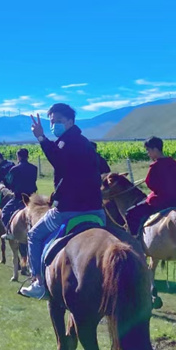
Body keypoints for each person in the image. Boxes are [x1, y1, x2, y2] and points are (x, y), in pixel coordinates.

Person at [19, 104, 106, 300]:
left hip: (69, 209)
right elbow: (102, 167)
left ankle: (38, 282)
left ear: (70, 121)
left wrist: (41, 137)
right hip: (96, 209)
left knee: (34, 235)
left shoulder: (67, 142)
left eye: (57, 121)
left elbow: (57, 160)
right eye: (51, 122)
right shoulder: (85, 142)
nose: (53, 125)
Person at [124, 137, 176, 235]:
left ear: (155, 149)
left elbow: (150, 183)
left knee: (130, 214)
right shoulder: (175, 164)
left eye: (148, 150)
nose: (148, 153)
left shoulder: (155, 166)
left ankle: (136, 240)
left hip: (160, 202)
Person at [0, 148, 38, 230]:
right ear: (27, 156)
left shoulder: (14, 169)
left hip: (19, 197)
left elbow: (8, 182)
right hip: (32, 197)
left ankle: (9, 232)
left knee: (4, 212)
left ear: (18, 157)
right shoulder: (34, 168)